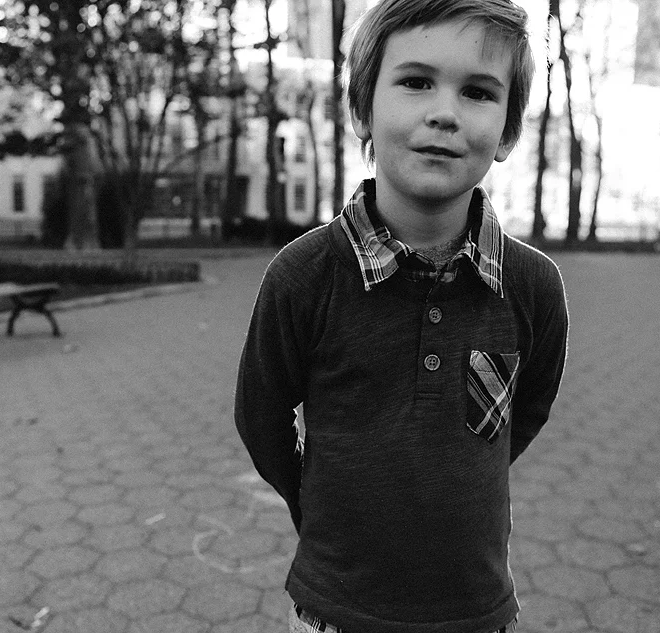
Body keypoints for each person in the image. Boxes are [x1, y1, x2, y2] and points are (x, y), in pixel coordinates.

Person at [234, 0, 569, 631]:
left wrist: (457, 481)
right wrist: (322, 508)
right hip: (335, 608)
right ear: (362, 109)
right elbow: (261, 416)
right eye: (415, 82)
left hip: (477, 610)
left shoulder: (533, 287)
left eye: (478, 92)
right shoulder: (303, 277)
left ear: (508, 132)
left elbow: (526, 413)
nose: (444, 112)